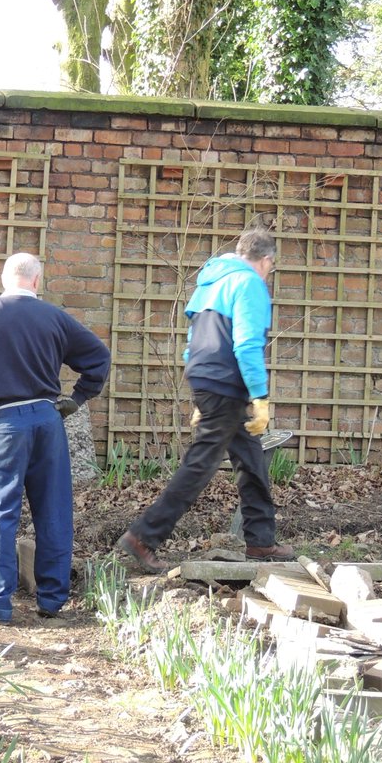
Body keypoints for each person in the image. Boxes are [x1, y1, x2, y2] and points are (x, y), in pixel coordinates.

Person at [0, 252, 111, 625]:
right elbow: (98, 356)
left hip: (5, 422)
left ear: (3, 279)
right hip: (48, 420)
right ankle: (52, 600)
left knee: (3, 512)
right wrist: (76, 398)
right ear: (37, 281)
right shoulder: (55, 317)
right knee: (54, 510)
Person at [115, 226, 291, 574]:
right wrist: (260, 395)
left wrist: (201, 392)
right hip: (228, 380)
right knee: (201, 463)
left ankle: (260, 539)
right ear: (266, 260)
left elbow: (194, 338)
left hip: (207, 375)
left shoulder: (211, 282)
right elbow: (246, 343)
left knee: (250, 458)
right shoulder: (250, 284)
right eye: (271, 265)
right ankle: (143, 536)